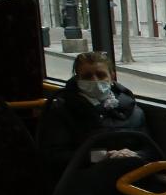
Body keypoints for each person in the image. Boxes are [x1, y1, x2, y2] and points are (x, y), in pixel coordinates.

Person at [37, 51, 148, 186]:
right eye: (87, 77)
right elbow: (55, 156)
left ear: (112, 76)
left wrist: (134, 154)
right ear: (78, 79)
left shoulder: (132, 110)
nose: (95, 80)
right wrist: (101, 157)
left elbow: (151, 150)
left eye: (100, 75)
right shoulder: (62, 110)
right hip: (83, 182)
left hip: (131, 180)